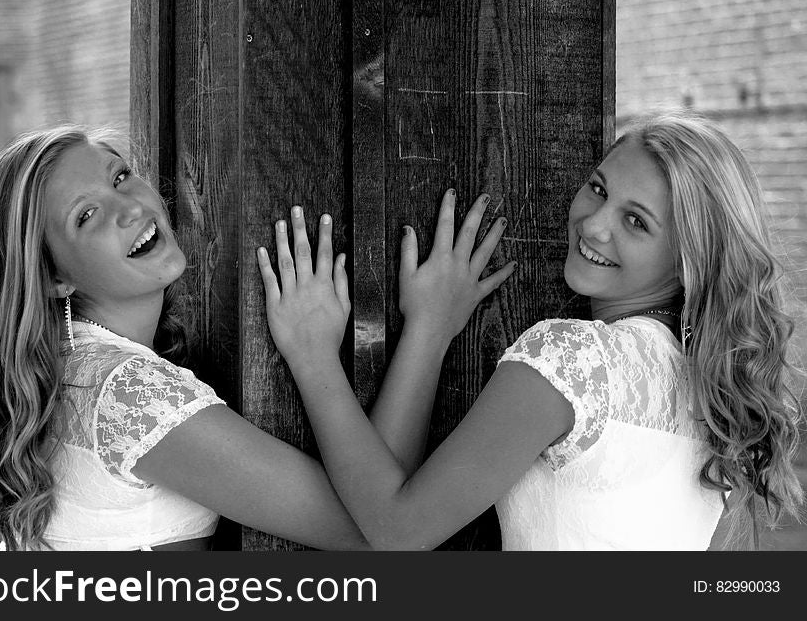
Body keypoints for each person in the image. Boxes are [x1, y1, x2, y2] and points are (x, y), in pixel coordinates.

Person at [259, 110, 804, 550]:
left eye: (636, 221)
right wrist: (430, 327)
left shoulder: (573, 359)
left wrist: (313, 355)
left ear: (689, 260)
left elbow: (398, 533)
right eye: (597, 188)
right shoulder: (718, 394)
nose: (593, 224)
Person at [0, 125, 515, 551]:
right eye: (87, 215)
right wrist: (345, 348)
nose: (129, 207)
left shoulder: (68, 371)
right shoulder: (126, 394)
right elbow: (379, 532)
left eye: (120, 176)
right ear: (54, 277)